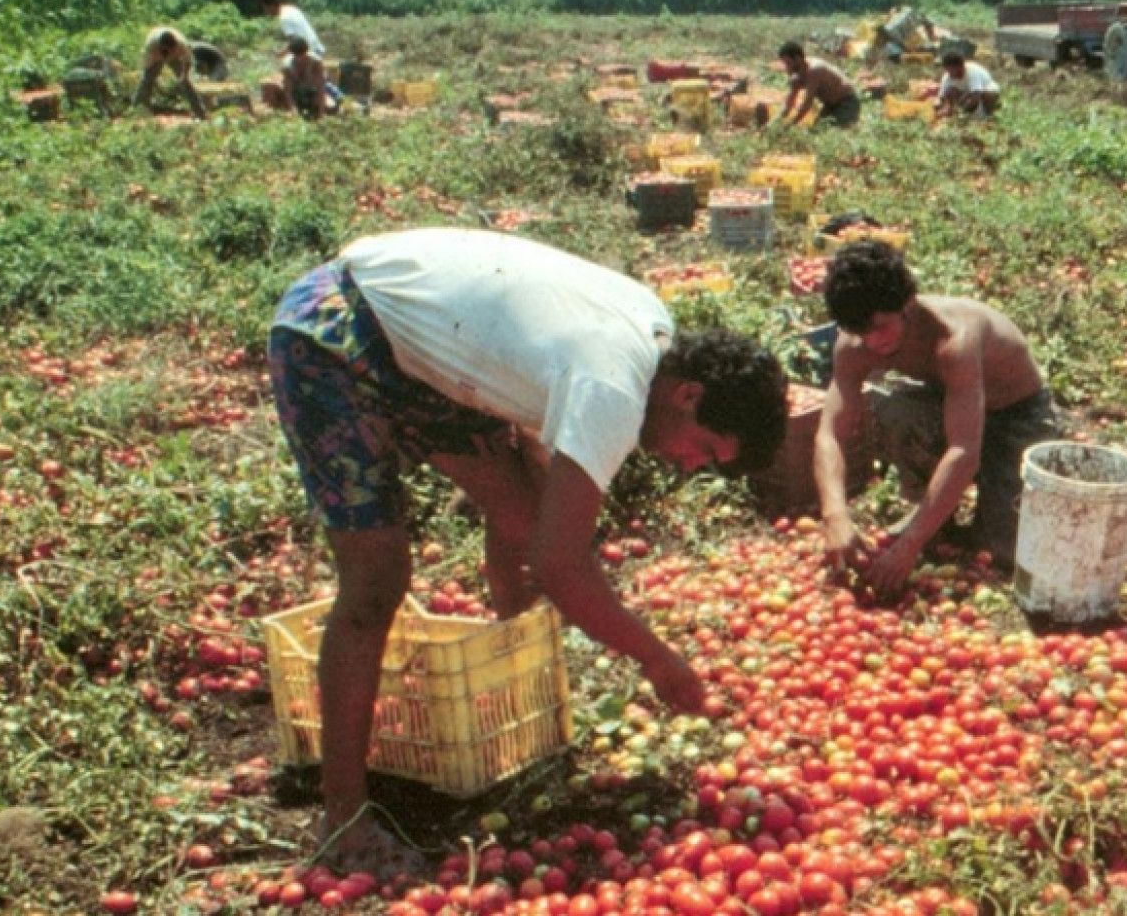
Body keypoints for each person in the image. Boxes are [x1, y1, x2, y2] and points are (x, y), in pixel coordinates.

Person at [266, 228, 787, 876]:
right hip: (336, 331)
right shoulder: (614, 391)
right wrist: (657, 658)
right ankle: (343, 818)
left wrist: (523, 578)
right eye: (704, 448)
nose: (688, 465)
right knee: (377, 579)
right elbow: (560, 565)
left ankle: (519, 700)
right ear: (689, 396)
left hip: (421, 348)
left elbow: (537, 504)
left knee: (521, 510)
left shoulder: (652, 332)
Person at [814, 240, 1063, 596]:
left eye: (880, 327)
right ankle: (932, 514)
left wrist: (909, 546)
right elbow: (830, 435)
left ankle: (946, 515)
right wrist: (835, 516)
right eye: (860, 331)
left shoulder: (953, 340)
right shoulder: (854, 346)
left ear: (907, 304)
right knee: (898, 410)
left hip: (1017, 414)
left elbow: (964, 450)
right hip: (949, 403)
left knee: (1005, 550)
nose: (871, 342)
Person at [777, 41, 861, 128]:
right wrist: (776, 123)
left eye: (788, 63)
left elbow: (807, 102)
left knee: (831, 133)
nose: (787, 67)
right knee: (816, 131)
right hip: (830, 106)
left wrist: (791, 125)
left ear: (798, 58)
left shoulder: (815, 69)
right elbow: (789, 102)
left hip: (846, 103)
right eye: (785, 64)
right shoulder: (798, 74)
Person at [131, 27, 207, 121]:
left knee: (186, 83)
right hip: (155, 56)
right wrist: (152, 77)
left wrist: (184, 75)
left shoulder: (182, 44)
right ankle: (139, 111)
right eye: (166, 49)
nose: (168, 52)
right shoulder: (151, 45)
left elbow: (188, 61)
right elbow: (147, 66)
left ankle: (200, 113)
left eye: (171, 49)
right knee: (146, 82)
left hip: (175, 57)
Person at [935, 51, 1001, 120]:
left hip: (983, 92)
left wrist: (962, 112)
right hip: (966, 96)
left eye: (951, 70)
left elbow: (976, 97)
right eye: (947, 70)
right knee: (950, 91)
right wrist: (938, 106)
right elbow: (941, 97)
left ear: (960, 67)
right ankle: (954, 115)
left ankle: (988, 116)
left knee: (988, 94)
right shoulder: (947, 77)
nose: (949, 73)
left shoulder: (972, 72)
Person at [281, 36, 328, 121]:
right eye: (297, 56)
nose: (300, 59)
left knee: (330, 107)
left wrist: (321, 113)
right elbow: (288, 90)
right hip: (297, 92)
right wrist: (292, 108)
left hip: (313, 90)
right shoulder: (287, 66)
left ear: (306, 51)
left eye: (302, 55)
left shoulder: (316, 63)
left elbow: (321, 88)